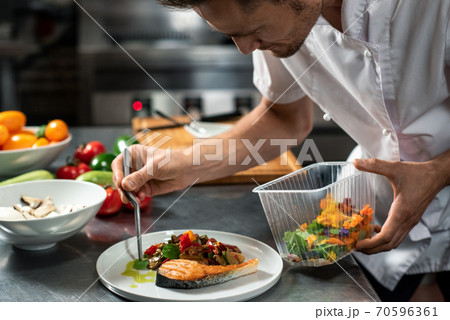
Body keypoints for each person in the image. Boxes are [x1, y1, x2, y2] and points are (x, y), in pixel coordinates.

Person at [111, 0, 450, 301]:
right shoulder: (281, 31)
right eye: (232, 35)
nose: (245, 49)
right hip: (373, 219)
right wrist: (184, 164)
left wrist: (437, 172)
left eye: (252, 31)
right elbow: (283, 116)